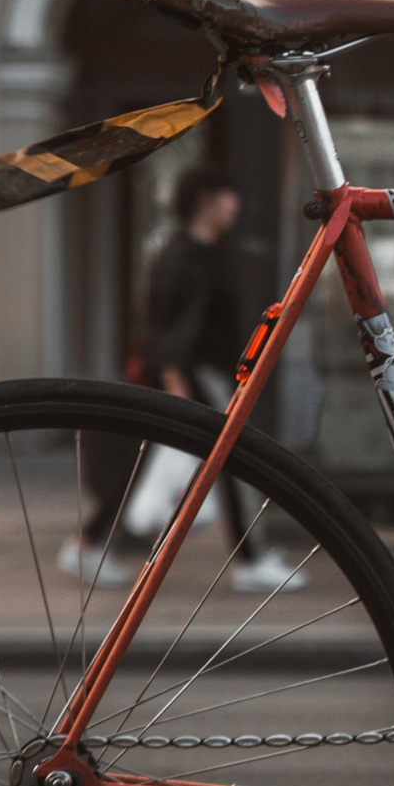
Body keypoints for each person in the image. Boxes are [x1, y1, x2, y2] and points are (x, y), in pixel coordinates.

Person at [59, 166, 306, 594]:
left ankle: (90, 544)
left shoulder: (212, 252)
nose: (236, 206)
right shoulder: (182, 255)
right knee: (233, 459)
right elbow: (164, 324)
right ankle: (250, 560)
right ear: (204, 200)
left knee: (149, 463)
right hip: (190, 375)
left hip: (201, 374)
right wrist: (175, 380)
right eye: (228, 196)